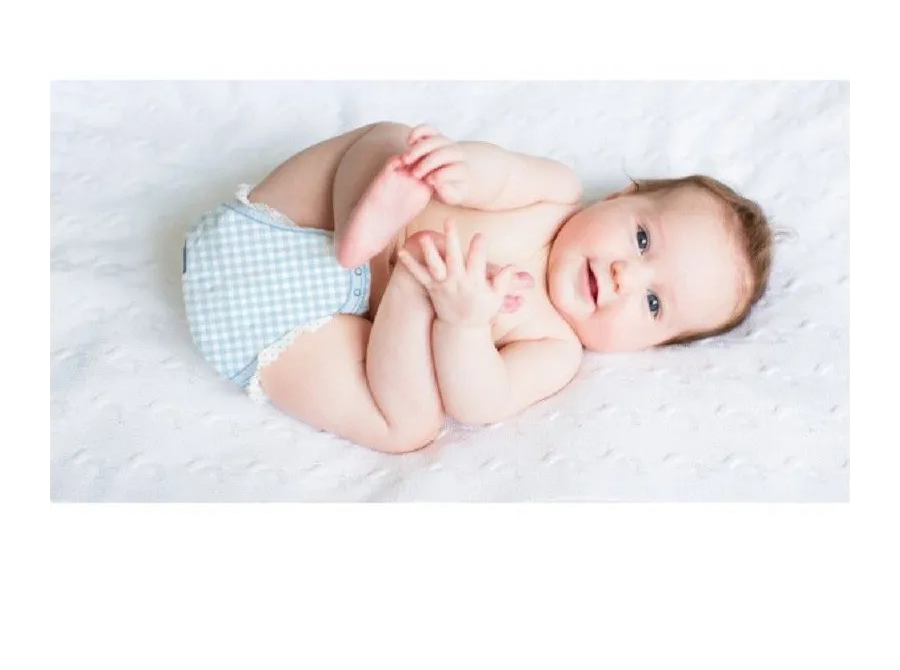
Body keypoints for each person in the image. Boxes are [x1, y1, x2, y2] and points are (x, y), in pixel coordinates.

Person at [182, 121, 773, 454]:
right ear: (620, 197)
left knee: (411, 427)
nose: (625, 275)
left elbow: (480, 400)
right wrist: (458, 170)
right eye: (642, 240)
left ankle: (413, 282)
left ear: (650, 345)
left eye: (653, 303)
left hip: (280, 329)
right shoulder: (554, 193)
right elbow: (498, 173)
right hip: (291, 220)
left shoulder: (553, 347)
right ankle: (375, 220)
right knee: (392, 141)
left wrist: (463, 324)